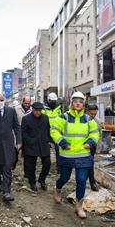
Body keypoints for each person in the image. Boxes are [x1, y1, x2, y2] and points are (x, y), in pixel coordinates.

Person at [50, 91, 99, 219]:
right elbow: (54, 131)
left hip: (83, 155)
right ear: (71, 103)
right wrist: (63, 142)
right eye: (75, 101)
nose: (78, 104)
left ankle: (79, 206)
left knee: (81, 180)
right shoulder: (63, 117)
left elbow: (95, 133)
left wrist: (90, 142)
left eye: (80, 102)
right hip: (67, 154)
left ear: (84, 104)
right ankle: (58, 188)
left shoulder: (88, 119)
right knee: (64, 178)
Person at [21, 102, 53, 192]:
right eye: (36, 110)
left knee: (47, 163)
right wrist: (29, 141)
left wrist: (49, 141)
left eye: (40, 110)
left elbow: (48, 130)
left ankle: (42, 179)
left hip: (43, 144)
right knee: (31, 166)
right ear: (33, 109)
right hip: (32, 145)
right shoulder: (26, 119)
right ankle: (32, 182)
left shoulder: (45, 118)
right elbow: (23, 132)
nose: (38, 112)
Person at [14, 95, 33, 177]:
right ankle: (13, 164)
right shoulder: (16, 109)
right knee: (15, 152)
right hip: (17, 134)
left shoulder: (32, 110)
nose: (27, 105)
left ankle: (27, 173)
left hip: (27, 135)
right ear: (22, 102)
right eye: (25, 103)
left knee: (27, 156)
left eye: (28, 103)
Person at [43, 93, 63, 174]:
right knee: (46, 151)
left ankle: (59, 167)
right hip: (46, 132)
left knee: (58, 149)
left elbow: (61, 120)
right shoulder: (43, 108)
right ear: (48, 100)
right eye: (52, 101)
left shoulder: (58, 109)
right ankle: (46, 167)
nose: (53, 102)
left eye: (55, 101)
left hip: (56, 132)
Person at [86, 104, 102, 191]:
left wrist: (98, 148)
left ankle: (92, 183)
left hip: (92, 147)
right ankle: (90, 183)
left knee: (90, 164)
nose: (92, 116)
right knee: (86, 165)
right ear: (87, 111)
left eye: (94, 114)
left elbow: (100, 135)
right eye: (91, 114)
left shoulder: (98, 122)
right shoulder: (82, 120)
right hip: (82, 146)